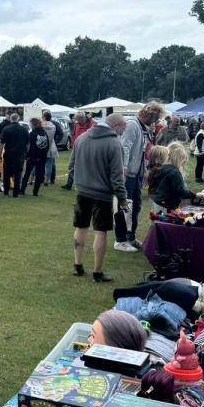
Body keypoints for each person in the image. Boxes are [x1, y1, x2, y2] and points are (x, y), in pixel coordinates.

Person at [70, 113, 127, 283]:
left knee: (80, 227)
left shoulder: (81, 138)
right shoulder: (114, 143)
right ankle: (98, 272)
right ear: (115, 125)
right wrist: (123, 199)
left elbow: (71, 164)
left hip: (82, 191)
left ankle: (77, 265)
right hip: (102, 195)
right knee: (100, 231)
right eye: (123, 127)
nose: (123, 131)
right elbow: (118, 177)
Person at [115, 101, 165, 253]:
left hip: (135, 174)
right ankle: (120, 240)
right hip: (128, 174)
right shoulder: (132, 125)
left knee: (135, 206)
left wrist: (142, 172)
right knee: (125, 207)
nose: (155, 122)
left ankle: (130, 236)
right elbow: (125, 147)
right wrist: (123, 168)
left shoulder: (142, 128)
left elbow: (141, 153)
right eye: (155, 118)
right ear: (149, 115)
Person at [150, 144, 194, 212]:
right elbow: (181, 191)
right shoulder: (175, 173)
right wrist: (194, 195)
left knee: (156, 220)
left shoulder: (164, 168)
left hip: (158, 203)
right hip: (167, 206)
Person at [62, 111, 95, 190]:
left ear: (83, 118)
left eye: (78, 120)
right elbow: (74, 134)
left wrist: (90, 120)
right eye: (76, 120)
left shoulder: (91, 124)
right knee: (71, 165)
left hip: (86, 149)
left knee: (84, 167)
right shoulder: (77, 124)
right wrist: (72, 144)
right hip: (76, 147)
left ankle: (86, 184)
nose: (77, 122)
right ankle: (69, 183)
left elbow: (92, 134)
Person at [0, 113, 28, 197]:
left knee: (6, 174)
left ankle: (6, 192)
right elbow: (27, 143)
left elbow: (1, 143)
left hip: (8, 154)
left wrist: (0, 155)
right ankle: (15, 192)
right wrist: (26, 153)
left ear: (11, 119)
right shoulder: (24, 129)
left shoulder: (6, 129)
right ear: (18, 119)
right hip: (19, 155)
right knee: (18, 174)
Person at [21, 117, 49, 196]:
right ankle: (35, 192)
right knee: (39, 175)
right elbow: (47, 146)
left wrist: (28, 155)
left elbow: (30, 147)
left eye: (31, 124)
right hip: (42, 157)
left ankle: (22, 190)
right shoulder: (44, 133)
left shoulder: (32, 134)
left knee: (27, 174)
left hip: (33, 157)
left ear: (34, 125)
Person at [42, 110, 59, 185]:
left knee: (39, 164)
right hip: (51, 145)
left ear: (44, 117)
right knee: (49, 164)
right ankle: (47, 180)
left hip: (41, 145)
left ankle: (37, 178)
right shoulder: (54, 125)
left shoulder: (41, 125)